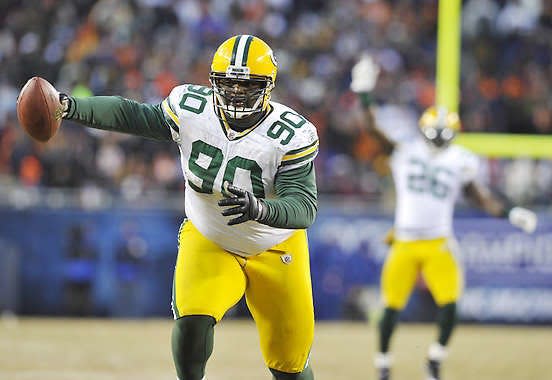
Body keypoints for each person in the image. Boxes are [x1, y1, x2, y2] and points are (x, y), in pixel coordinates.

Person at [52, 35, 318, 380]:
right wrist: (70, 106)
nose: (236, 93)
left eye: (246, 85)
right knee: (193, 319)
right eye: (228, 84)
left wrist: (262, 209)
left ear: (268, 87)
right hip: (211, 237)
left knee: (290, 365)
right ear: (213, 83)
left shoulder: (290, 134)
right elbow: (130, 114)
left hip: (275, 245)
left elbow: (304, 205)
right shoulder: (192, 107)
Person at [350, 55, 538, 380]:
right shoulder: (405, 151)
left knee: (450, 304)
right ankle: (383, 364)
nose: (438, 138)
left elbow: (481, 198)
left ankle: (434, 360)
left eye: (442, 133)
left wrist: (510, 212)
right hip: (406, 241)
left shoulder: (460, 160)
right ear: (424, 130)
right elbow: (370, 126)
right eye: (434, 132)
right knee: (391, 309)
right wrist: (364, 93)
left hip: (438, 242)